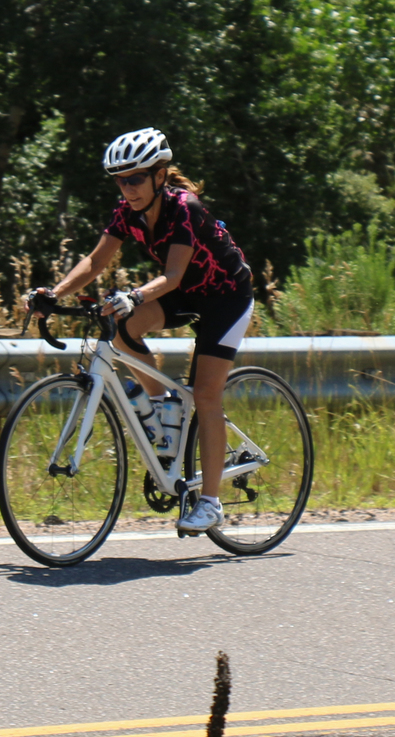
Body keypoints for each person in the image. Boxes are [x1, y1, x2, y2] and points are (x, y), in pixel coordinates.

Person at [27, 127, 256, 535]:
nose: (127, 187)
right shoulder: (126, 212)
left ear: (160, 175)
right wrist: (53, 292)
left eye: (135, 178)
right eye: (120, 179)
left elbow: (171, 275)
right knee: (121, 329)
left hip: (225, 297)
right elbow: (96, 262)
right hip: (186, 292)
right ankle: (163, 408)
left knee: (205, 394)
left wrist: (133, 294)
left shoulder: (186, 209)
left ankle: (211, 502)